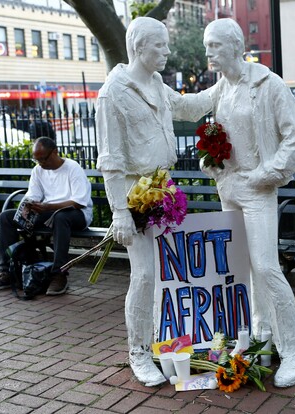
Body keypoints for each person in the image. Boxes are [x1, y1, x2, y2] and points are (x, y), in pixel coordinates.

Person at [95, 17, 210, 387]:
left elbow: (189, 108)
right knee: (144, 276)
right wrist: (120, 213)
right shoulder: (112, 92)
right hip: (134, 193)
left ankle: (164, 343)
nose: (166, 51)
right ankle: (138, 352)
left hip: (164, 188)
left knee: (169, 276)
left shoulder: (158, 84)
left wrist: (228, 82)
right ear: (138, 47)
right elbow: (110, 160)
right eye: (159, 45)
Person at [199, 18, 295, 388]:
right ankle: (256, 338)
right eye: (206, 45)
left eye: (214, 45)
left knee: (265, 267)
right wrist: (145, 78)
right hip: (228, 188)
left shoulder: (268, 84)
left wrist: (266, 174)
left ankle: (293, 349)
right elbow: (186, 107)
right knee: (239, 271)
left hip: (258, 187)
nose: (208, 52)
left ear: (234, 45)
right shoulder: (219, 90)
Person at [0, 136, 93, 295]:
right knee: (6, 217)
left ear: (55, 152)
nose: (41, 163)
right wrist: (29, 205)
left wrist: (49, 206)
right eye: (37, 160)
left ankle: (59, 274)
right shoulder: (38, 170)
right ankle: (8, 272)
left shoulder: (72, 168)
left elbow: (79, 201)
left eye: (44, 159)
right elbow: (33, 194)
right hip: (48, 212)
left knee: (60, 217)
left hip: (76, 214)